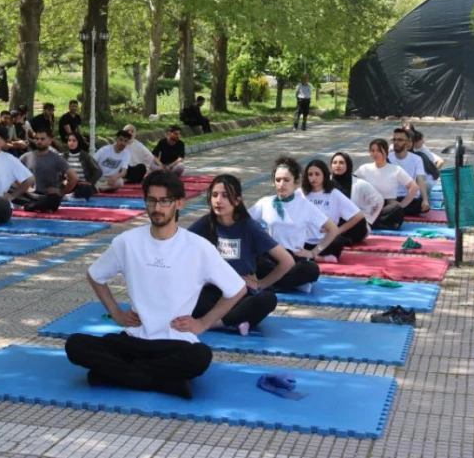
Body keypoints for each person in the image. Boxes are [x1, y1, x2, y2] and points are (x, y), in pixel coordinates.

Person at [64, 171, 246, 398]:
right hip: (134, 339)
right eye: (151, 200)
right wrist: (116, 313)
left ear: (179, 203)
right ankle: (162, 382)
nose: (157, 208)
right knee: (75, 344)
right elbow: (95, 276)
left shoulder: (198, 247)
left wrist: (203, 323)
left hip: (174, 342)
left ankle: (112, 376)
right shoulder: (127, 242)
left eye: (164, 201)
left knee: (200, 356)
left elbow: (237, 289)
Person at [187, 174, 292, 335]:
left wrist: (261, 284)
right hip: (212, 293)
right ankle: (236, 321)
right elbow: (179, 248)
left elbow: (287, 261)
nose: (218, 200)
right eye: (214, 195)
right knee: (187, 298)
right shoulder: (205, 224)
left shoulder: (249, 227)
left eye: (225, 196)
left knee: (268, 299)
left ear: (237, 201)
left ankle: (215, 323)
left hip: (241, 295)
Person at [248, 156, 340, 291]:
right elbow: (242, 221)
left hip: (295, 258)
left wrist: (313, 252)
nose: (281, 184)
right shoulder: (265, 202)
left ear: (296, 182)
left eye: (286, 180)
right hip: (271, 257)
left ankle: (273, 283)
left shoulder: (305, 206)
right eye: (278, 180)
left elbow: (333, 229)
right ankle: (288, 284)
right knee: (253, 261)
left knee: (312, 270)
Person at [300, 159, 366, 256]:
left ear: (324, 175)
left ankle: (312, 255)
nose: (313, 178)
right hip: (305, 240)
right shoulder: (301, 194)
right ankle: (318, 258)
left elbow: (358, 215)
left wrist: (338, 230)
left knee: (337, 241)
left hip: (326, 240)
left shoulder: (334, 194)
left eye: (317, 174)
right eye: (310, 174)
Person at [354, 138, 416, 230]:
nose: (375, 153)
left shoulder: (395, 169)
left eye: (378, 151)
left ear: (386, 152)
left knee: (396, 209)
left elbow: (413, 187)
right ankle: (378, 224)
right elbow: (351, 181)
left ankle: (369, 223)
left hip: (387, 208)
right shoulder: (364, 168)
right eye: (372, 151)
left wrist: (402, 205)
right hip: (369, 207)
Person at [17, 131, 79, 212]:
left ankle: (30, 206)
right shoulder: (26, 157)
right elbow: (12, 174)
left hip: (47, 196)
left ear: (50, 141)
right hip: (30, 195)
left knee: (54, 199)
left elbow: (74, 178)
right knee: (8, 192)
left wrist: (61, 192)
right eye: (37, 139)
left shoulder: (56, 159)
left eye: (42, 139)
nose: (39, 141)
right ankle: (35, 206)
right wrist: (25, 187)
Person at [329, 152, 381, 240]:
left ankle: (341, 239)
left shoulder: (359, 183)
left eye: (341, 163)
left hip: (351, 224)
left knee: (360, 223)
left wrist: (369, 219)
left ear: (348, 165)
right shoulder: (325, 182)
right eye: (334, 163)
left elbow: (378, 200)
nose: (337, 165)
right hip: (331, 223)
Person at [387, 128, 430, 215]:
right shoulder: (387, 158)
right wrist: (392, 201)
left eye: (400, 140)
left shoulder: (417, 159)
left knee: (422, 207)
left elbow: (420, 180)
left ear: (408, 143)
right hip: (392, 198)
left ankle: (397, 211)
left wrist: (425, 200)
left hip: (411, 198)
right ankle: (397, 210)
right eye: (394, 140)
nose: (396, 142)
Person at [62, 132, 101, 199]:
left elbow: (98, 171)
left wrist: (89, 182)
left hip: (81, 185)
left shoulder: (85, 156)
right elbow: (58, 173)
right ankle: (70, 196)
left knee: (85, 189)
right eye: (69, 140)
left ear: (79, 142)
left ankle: (70, 196)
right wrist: (62, 180)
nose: (71, 143)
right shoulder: (63, 156)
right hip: (68, 184)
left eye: (74, 140)